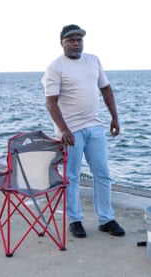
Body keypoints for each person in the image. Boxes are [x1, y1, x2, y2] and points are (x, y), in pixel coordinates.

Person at [42, 24, 125, 238]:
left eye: (79, 39)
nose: (76, 43)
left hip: (94, 127)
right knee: (72, 177)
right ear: (62, 42)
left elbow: (105, 89)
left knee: (103, 174)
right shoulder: (55, 67)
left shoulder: (93, 60)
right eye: (71, 40)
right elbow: (51, 102)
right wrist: (63, 130)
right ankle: (75, 219)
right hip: (71, 131)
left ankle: (106, 219)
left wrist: (114, 118)